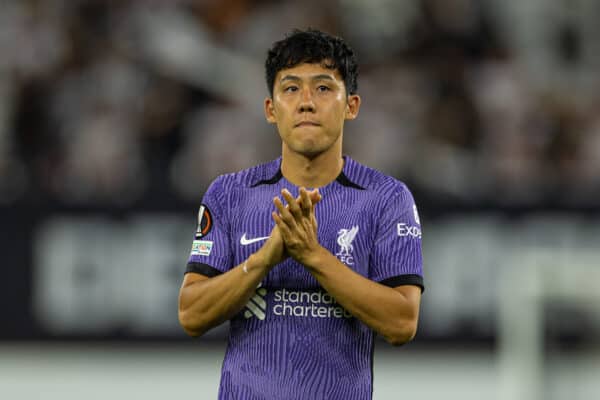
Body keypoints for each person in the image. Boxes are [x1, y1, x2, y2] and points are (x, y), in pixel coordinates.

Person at [178, 28, 424, 400]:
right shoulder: (230, 194)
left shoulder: (386, 199)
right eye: (291, 88)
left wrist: (313, 256)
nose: (306, 102)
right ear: (270, 109)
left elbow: (403, 322)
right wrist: (264, 260)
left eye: (323, 88)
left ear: (351, 106)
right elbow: (191, 315)